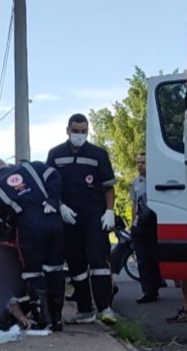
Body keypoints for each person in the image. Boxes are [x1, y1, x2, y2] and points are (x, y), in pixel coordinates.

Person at [0, 156, 65, 332]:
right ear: (5, 164)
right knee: (55, 269)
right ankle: (57, 319)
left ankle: (44, 319)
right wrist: (53, 199)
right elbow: (55, 175)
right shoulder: (32, 167)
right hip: (54, 220)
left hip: (29, 228)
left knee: (33, 272)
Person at [47, 113, 118, 325]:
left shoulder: (98, 154)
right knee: (76, 265)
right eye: (76, 131)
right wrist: (60, 206)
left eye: (84, 131)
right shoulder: (55, 154)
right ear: (67, 130)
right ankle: (85, 309)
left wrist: (109, 211)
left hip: (93, 214)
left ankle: (105, 307)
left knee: (98, 260)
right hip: (68, 216)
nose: (80, 135)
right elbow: (49, 185)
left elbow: (108, 187)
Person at [131, 152, 164, 303]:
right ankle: (148, 291)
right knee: (142, 259)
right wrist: (133, 222)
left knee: (155, 256)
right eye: (138, 162)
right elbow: (134, 203)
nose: (140, 166)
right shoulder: (136, 182)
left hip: (154, 222)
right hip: (141, 223)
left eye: (143, 162)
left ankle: (157, 283)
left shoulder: (157, 179)